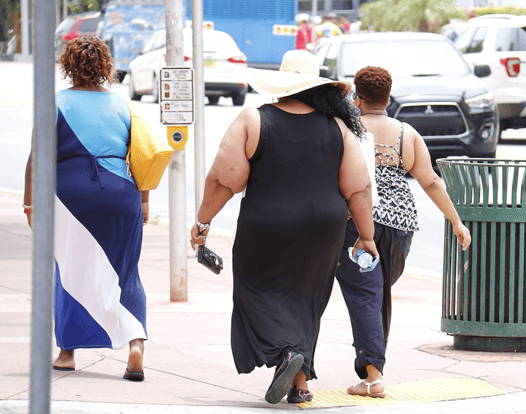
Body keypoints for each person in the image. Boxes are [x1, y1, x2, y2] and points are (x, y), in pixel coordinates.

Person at [189, 50, 378, 405]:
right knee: (307, 297)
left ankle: (285, 355)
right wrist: (366, 236)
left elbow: (223, 180)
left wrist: (203, 221)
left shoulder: (254, 120)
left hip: (267, 224)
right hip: (324, 227)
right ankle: (300, 383)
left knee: (254, 288)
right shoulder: (338, 127)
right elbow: (359, 187)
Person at [335, 66, 471, 398]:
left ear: (359, 97)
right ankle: (372, 370)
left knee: (366, 295)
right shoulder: (405, 134)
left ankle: (373, 374)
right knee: (378, 292)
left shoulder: (345, 129)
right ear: (388, 96)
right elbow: (431, 181)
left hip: (357, 223)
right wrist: (456, 221)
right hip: (399, 228)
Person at [23, 37, 149, 381]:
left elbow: (37, 158)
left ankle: (66, 353)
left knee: (71, 270)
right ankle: (135, 342)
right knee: (126, 272)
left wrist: (29, 204)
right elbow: (142, 156)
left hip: (71, 196)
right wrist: (144, 200)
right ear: (106, 66)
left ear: (68, 66)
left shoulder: (55, 102)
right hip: (121, 193)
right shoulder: (124, 105)